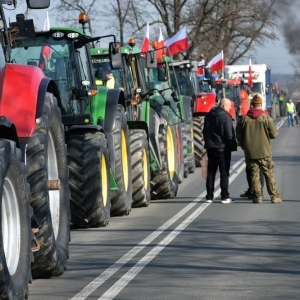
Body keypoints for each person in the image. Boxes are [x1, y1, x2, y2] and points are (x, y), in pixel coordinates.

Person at [236, 94, 282, 204]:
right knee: (269, 174)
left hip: (250, 152)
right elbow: (274, 134)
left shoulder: (244, 119)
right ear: (260, 105)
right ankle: (274, 197)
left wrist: (244, 146)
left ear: (252, 105)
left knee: (254, 175)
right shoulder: (266, 118)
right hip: (265, 151)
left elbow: (238, 135)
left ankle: (258, 197)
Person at [203, 98, 237, 204]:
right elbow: (229, 134)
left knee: (211, 172)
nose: (230, 107)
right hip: (222, 148)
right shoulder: (225, 116)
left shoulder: (208, 116)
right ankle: (225, 196)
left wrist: (208, 144)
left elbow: (204, 131)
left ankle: (209, 196)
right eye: (229, 106)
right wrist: (232, 146)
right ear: (223, 106)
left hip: (210, 147)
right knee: (224, 172)